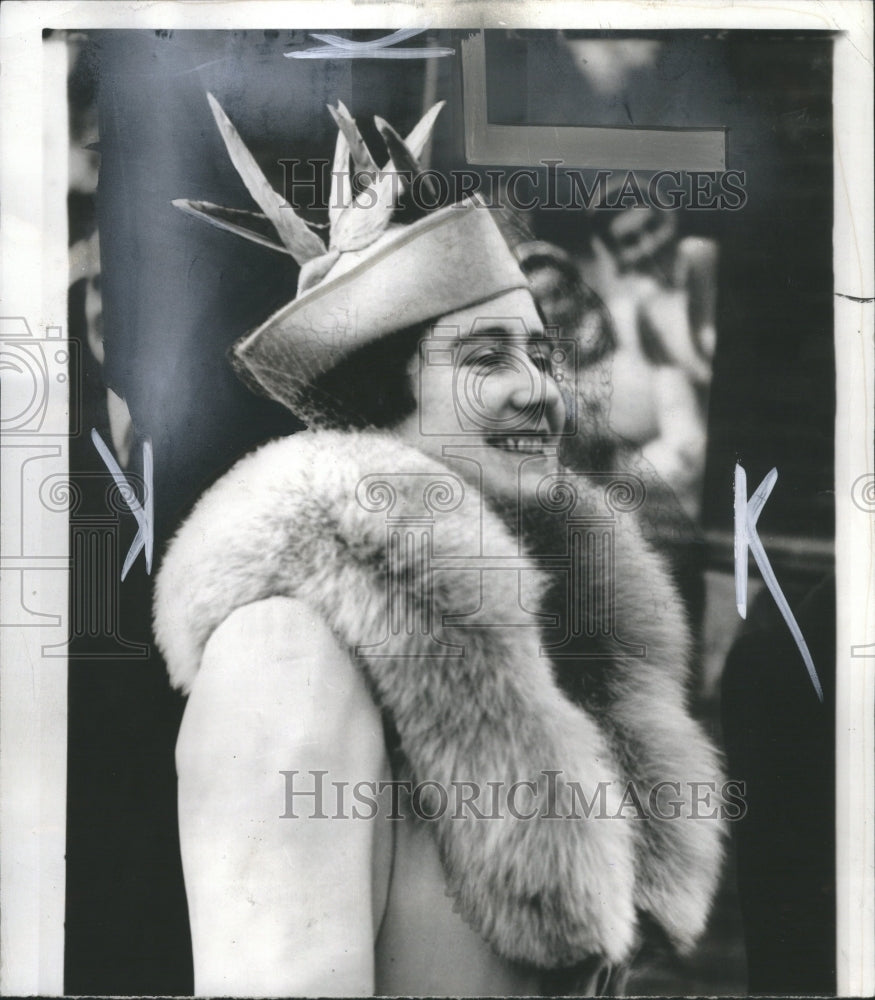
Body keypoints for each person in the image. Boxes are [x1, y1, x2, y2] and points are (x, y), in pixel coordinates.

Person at [153, 95, 725, 996]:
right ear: (388, 392)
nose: (540, 390)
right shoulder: (289, 652)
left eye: (540, 356)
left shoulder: (553, 644)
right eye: (487, 358)